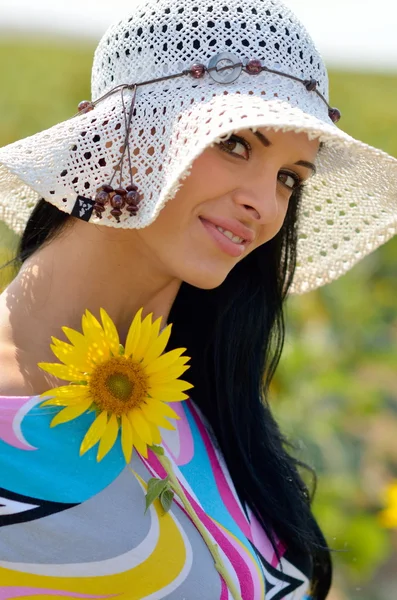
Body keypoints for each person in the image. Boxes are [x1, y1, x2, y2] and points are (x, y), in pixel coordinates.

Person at [0, 0, 395, 598]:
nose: (264, 206)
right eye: (235, 144)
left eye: (290, 177)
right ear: (125, 132)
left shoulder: (207, 397)